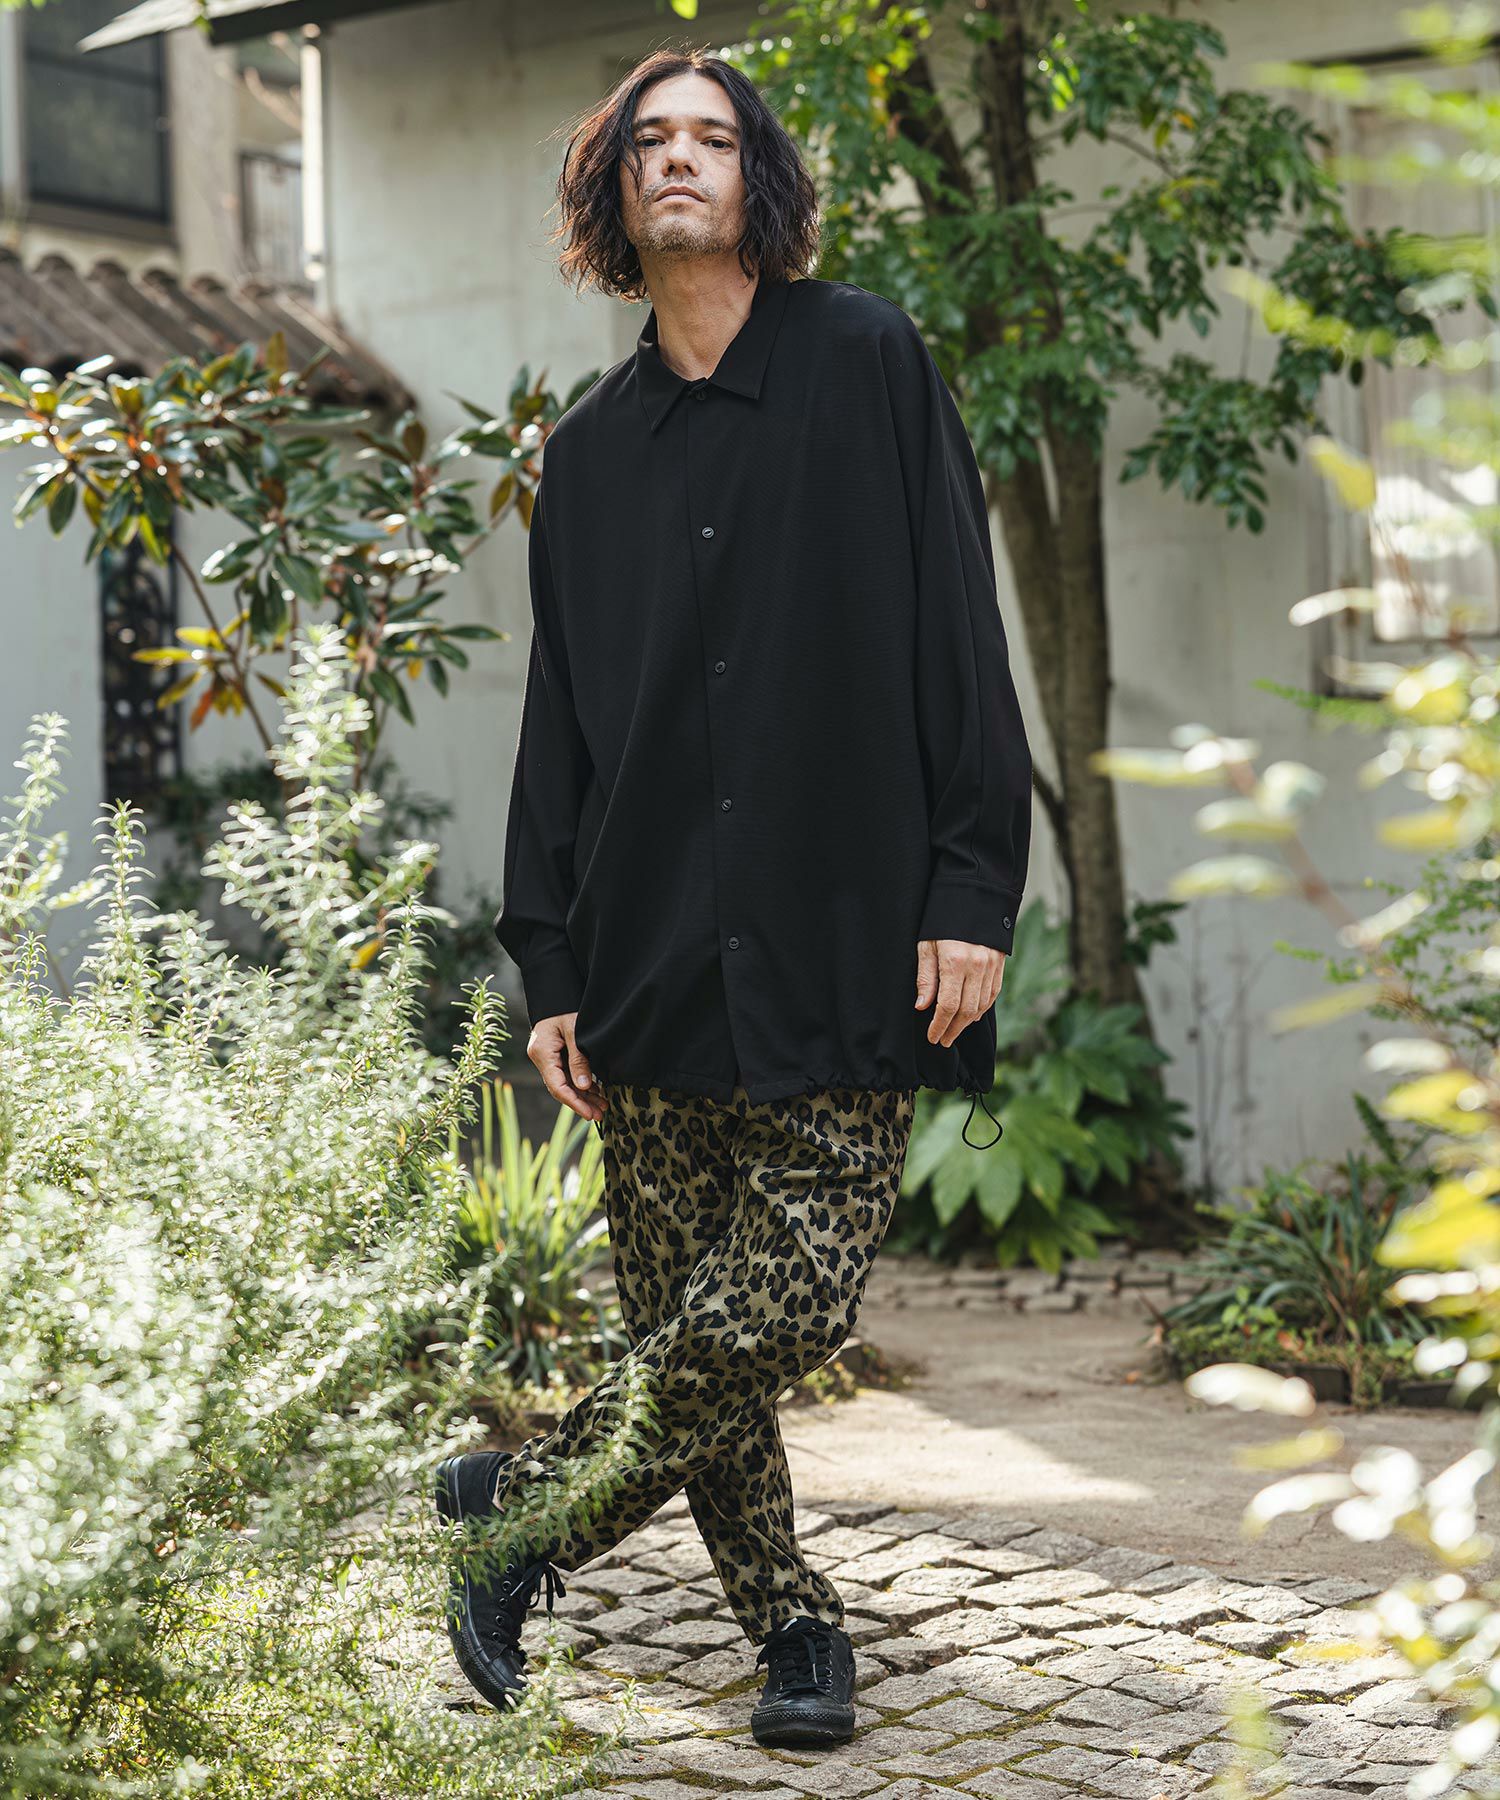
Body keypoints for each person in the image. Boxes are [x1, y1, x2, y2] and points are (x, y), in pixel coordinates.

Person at [436, 43, 1033, 1750]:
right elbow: (563, 727)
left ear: (756, 180)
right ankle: (793, 1629)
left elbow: (959, 635)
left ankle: (519, 1509)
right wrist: (550, 959)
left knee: (794, 1296)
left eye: (712, 137)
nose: (680, 159)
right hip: (646, 959)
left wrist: (973, 886)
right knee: (692, 1327)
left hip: (848, 935)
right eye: (651, 142)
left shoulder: (867, 362)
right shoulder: (589, 455)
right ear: (615, 191)